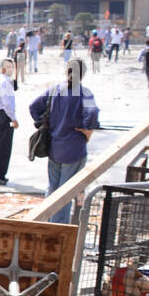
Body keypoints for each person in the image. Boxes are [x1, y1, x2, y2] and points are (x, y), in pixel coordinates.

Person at [28, 58, 100, 224]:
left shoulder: (55, 90)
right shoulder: (85, 93)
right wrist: (84, 127)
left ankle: (48, 223)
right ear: (83, 75)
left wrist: (45, 122)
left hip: (54, 148)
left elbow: (34, 107)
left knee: (53, 189)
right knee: (65, 193)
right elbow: (93, 114)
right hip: (74, 149)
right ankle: (58, 228)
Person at [0, 58, 18, 186]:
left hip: (4, 115)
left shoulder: (6, 81)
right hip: (4, 115)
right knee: (2, 147)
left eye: (12, 67)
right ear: (3, 68)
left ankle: (1, 174)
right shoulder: (3, 82)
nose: (11, 69)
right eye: (8, 67)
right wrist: (14, 118)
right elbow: (7, 104)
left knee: (6, 147)